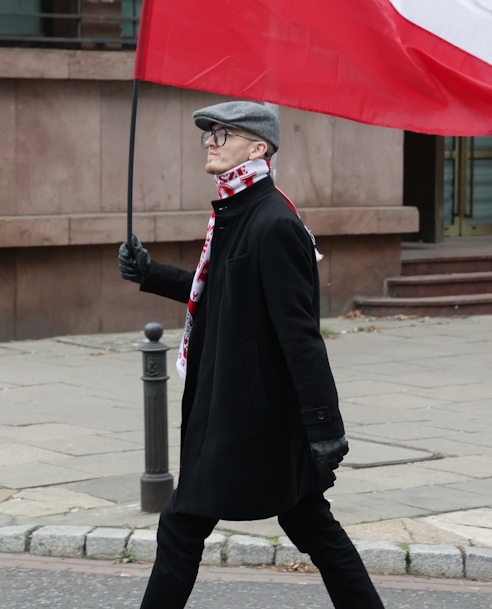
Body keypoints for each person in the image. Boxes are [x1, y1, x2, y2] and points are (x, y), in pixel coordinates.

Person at [118, 100, 385, 609]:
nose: (211, 142)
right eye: (209, 135)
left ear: (258, 147)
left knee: (181, 524)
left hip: (248, 416)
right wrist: (150, 273)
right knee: (308, 521)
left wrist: (326, 425)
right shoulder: (237, 212)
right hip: (238, 407)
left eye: (223, 134)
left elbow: (301, 336)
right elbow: (218, 291)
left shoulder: (273, 223)